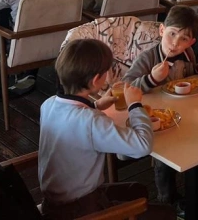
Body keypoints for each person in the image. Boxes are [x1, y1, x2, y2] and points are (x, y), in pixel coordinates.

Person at [38, 39, 173, 219]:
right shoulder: (91, 121)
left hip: (54, 203)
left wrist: (95, 105)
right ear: (96, 80)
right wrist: (134, 105)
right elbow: (142, 146)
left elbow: (73, 123)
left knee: (137, 190)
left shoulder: (48, 105)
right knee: (168, 214)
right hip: (82, 209)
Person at [122, 6, 198, 206]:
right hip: (157, 120)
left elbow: (188, 72)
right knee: (164, 159)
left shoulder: (188, 54)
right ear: (161, 30)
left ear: (191, 42)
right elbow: (126, 87)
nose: (175, 43)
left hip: (183, 115)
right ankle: (166, 199)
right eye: (172, 34)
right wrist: (151, 79)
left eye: (183, 39)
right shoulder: (148, 58)